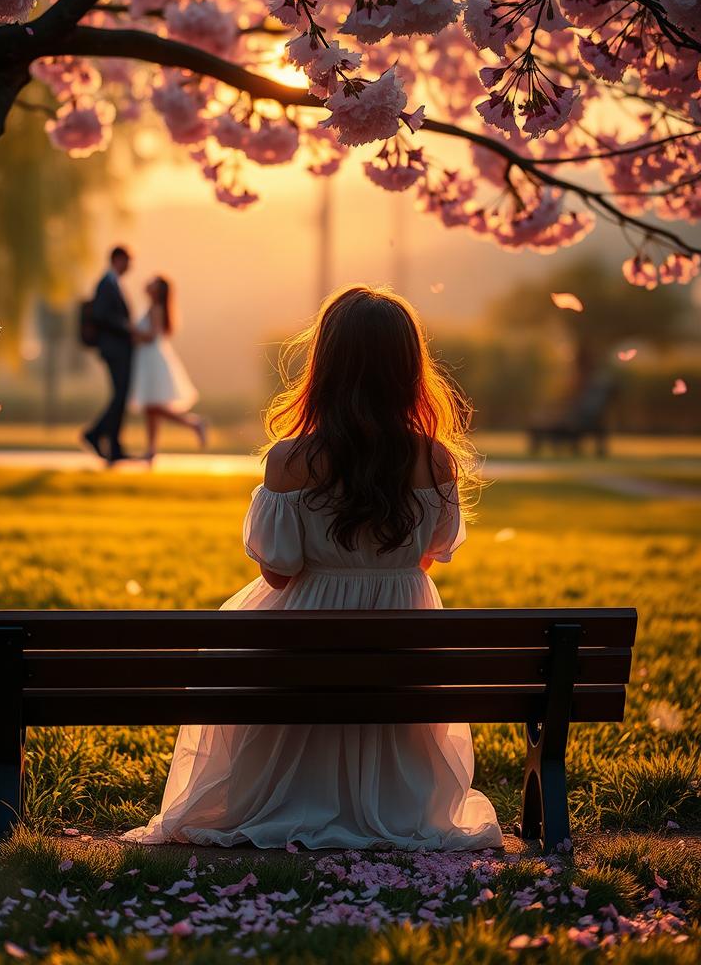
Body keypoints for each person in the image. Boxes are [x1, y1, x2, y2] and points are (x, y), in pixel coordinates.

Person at [122, 284, 503, 852]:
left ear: (325, 366)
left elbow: (279, 573)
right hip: (397, 650)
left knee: (254, 650)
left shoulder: (291, 459)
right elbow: (429, 556)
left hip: (304, 649)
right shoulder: (435, 458)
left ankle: (297, 797)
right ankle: (381, 804)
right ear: (409, 369)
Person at [130, 275, 207, 461]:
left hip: (152, 360)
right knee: (150, 408)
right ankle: (151, 449)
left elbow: (152, 335)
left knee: (154, 405)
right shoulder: (151, 307)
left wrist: (131, 331)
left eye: (154, 284)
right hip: (147, 358)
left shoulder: (156, 309)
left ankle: (193, 423)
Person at [83, 246, 134, 463]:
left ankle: (114, 445)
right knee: (120, 394)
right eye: (127, 261)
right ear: (118, 259)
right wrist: (127, 328)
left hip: (117, 348)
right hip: (115, 348)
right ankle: (96, 434)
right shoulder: (107, 284)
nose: (129, 266)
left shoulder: (112, 283)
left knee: (121, 395)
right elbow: (101, 315)